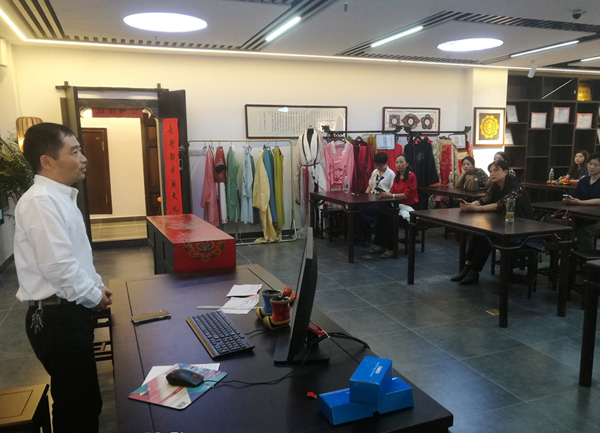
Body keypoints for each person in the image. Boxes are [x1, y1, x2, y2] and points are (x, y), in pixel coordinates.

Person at [14, 123, 113, 433]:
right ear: (47, 161)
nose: (83, 158)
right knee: (76, 406)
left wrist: (95, 285)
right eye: (75, 151)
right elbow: (58, 267)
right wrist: (93, 296)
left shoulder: (58, 197)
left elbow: (76, 256)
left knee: (84, 400)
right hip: (57, 318)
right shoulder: (41, 201)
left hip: (67, 311)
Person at [451, 160, 533, 284]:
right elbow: (484, 199)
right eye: (490, 171)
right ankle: (467, 267)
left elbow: (500, 205)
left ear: (505, 172)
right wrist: (470, 205)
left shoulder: (517, 188)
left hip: (520, 226)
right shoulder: (495, 186)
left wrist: (477, 209)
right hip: (502, 223)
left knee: (487, 235)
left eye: (496, 170)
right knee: (478, 232)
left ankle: (474, 271)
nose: (492, 174)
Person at [370, 155, 419, 257]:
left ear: (407, 163)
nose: (399, 165)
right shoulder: (397, 176)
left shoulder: (411, 176)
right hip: (397, 204)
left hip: (409, 206)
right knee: (381, 215)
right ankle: (380, 244)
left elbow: (406, 194)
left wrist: (391, 195)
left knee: (390, 219)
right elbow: (392, 190)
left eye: (401, 162)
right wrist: (385, 194)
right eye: (397, 162)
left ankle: (391, 248)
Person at [564, 152, 600, 250]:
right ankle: (569, 254)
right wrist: (568, 198)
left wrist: (580, 202)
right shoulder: (584, 180)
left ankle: (586, 256)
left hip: (597, 218)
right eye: (590, 164)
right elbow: (575, 193)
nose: (591, 167)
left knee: (585, 231)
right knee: (567, 225)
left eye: (596, 165)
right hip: (585, 215)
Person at [360, 152, 395, 246]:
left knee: (364, 213)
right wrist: (364, 197)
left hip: (383, 202)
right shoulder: (374, 172)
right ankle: (361, 235)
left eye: (380, 165)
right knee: (357, 208)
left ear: (386, 163)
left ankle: (367, 236)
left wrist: (384, 194)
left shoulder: (391, 174)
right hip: (372, 198)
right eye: (376, 165)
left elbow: (392, 191)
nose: (378, 167)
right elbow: (370, 186)